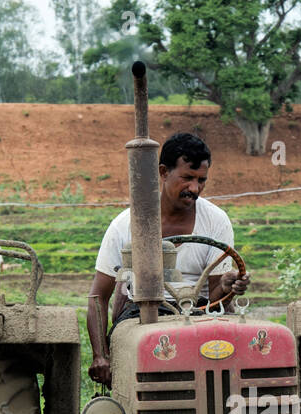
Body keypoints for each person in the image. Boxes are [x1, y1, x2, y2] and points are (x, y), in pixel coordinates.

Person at [87, 133, 250, 386]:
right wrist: (100, 356)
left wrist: (227, 286)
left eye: (201, 180)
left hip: (200, 309)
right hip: (141, 311)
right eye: (187, 178)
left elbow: (216, 293)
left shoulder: (216, 221)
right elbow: (98, 297)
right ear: (163, 172)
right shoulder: (125, 225)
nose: (194, 188)